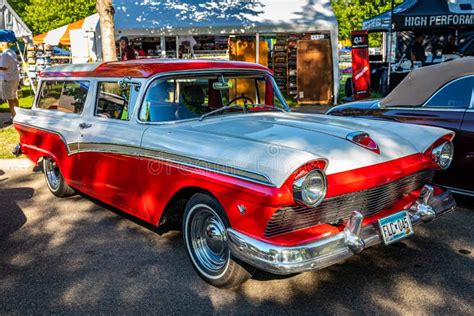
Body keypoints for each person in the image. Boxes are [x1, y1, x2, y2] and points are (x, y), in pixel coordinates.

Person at [0, 43, 20, 126]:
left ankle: (14, 117)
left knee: (10, 100)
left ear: (3, 45)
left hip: (7, 79)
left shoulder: (5, 54)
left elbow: (5, 67)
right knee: (14, 97)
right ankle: (18, 115)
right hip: (14, 78)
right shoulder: (12, 52)